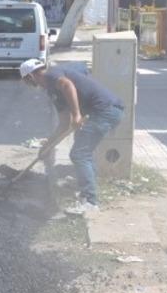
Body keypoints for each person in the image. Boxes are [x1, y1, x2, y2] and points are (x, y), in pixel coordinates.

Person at [20, 58, 124, 216]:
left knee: (79, 153)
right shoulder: (53, 90)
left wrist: (76, 114)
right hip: (105, 111)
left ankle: (89, 201)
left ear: (31, 77)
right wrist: (47, 146)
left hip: (104, 111)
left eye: (28, 82)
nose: (32, 85)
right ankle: (88, 186)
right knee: (83, 150)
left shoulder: (51, 76)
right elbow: (63, 124)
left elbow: (68, 85)